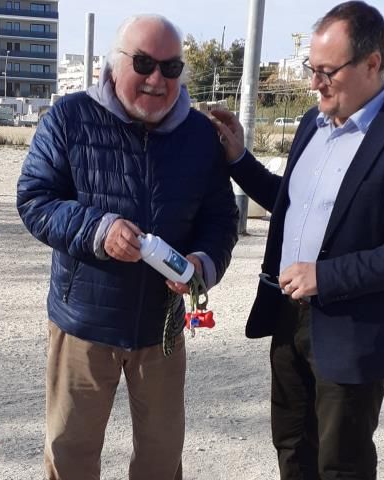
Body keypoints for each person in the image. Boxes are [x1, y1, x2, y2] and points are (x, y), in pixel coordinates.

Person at [211, 2, 384, 479]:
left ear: (371, 64)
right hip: (288, 316)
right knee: (291, 447)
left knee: (341, 463)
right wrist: (239, 159)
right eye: (312, 69)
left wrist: (326, 276)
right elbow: (293, 202)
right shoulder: (313, 123)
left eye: (327, 71)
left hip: (355, 330)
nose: (314, 83)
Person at [17, 14, 239, 480]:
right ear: (114, 65)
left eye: (171, 67)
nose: (158, 79)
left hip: (161, 328)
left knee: (161, 459)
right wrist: (98, 229)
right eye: (144, 63)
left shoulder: (200, 137)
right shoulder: (69, 117)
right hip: (83, 324)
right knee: (70, 453)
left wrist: (202, 264)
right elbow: (35, 200)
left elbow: (220, 220)